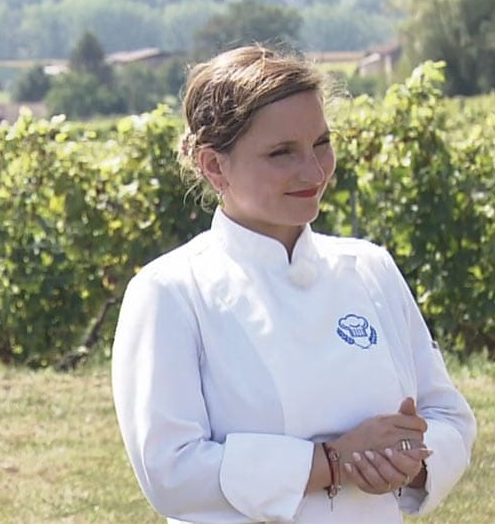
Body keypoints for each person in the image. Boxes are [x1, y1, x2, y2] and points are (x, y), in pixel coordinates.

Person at [111, 45, 475, 523]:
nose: (314, 170)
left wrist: (410, 462)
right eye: (282, 153)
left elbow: (449, 419)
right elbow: (170, 471)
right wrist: (331, 463)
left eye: (321, 143)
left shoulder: (370, 269)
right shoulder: (172, 292)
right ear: (213, 165)